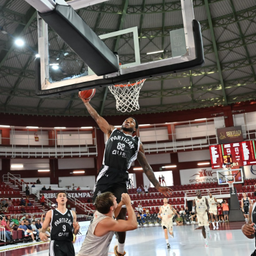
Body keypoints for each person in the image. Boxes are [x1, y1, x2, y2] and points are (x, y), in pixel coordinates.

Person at [79, 93, 171, 256]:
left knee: (121, 213)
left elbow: (146, 167)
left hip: (121, 177)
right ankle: (92, 247)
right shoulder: (112, 132)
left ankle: (120, 250)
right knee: (101, 212)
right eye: (126, 120)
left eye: (131, 122)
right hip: (106, 173)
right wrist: (86, 103)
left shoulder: (137, 143)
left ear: (135, 129)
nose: (128, 121)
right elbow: (97, 117)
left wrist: (157, 186)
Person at [77, 192, 137, 256]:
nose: (116, 198)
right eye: (114, 199)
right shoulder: (105, 222)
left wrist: (121, 203)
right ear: (111, 208)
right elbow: (133, 225)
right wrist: (128, 204)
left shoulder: (99, 213)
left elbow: (113, 215)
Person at [39, 191, 80, 256]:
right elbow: (43, 229)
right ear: (57, 200)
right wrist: (41, 233)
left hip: (68, 243)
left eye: (64, 196)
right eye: (60, 196)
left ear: (66, 199)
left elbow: (75, 232)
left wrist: (77, 229)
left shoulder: (72, 213)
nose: (62, 197)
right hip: (56, 243)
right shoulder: (51, 213)